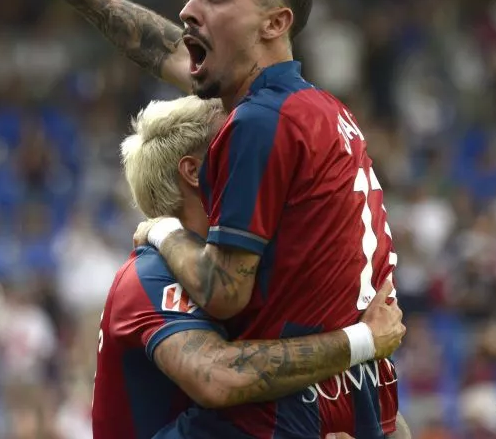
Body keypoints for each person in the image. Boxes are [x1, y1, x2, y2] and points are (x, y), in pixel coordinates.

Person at [0, 0, 403, 438]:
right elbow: (159, 46)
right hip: (345, 397)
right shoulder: (323, 111)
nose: (188, 9)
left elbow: (223, 297)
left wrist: (160, 229)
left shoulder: (258, 122)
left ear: (275, 22)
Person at [93, 95, 407, 439]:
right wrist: (363, 339)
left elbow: (367, 407)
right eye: (235, 146)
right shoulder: (147, 276)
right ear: (194, 172)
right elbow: (217, 377)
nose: (261, 158)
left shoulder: (245, 275)